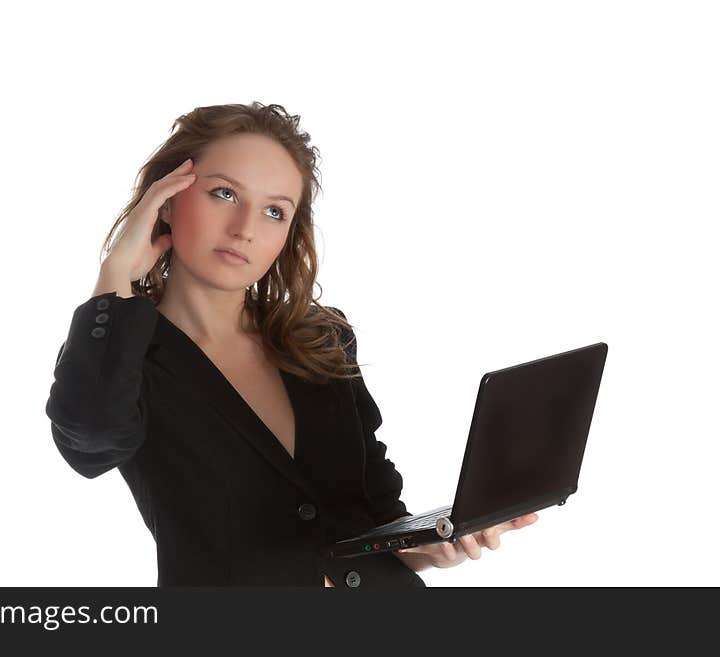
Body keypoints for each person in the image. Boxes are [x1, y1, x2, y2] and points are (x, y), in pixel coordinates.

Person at [45, 102, 538, 587]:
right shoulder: (122, 355)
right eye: (222, 193)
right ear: (166, 199)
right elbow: (88, 446)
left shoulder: (321, 340)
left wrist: (436, 544)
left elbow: (376, 518)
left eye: (274, 211)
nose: (245, 230)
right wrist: (114, 277)